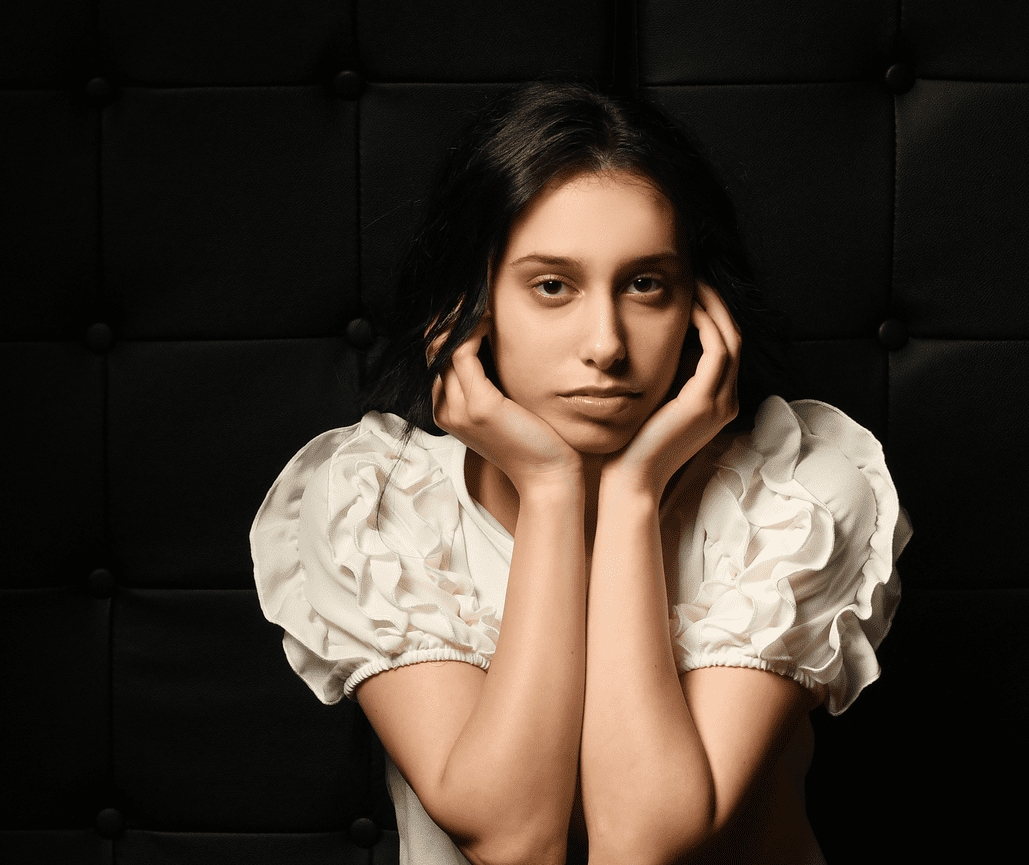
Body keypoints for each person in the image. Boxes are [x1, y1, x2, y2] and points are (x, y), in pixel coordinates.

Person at [251, 79, 911, 865]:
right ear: (471, 305)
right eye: (553, 286)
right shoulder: (377, 500)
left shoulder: (798, 489)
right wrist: (553, 489)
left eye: (645, 284)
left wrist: (633, 497)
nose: (606, 342)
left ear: (701, 308)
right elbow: (515, 836)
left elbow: (644, 842)